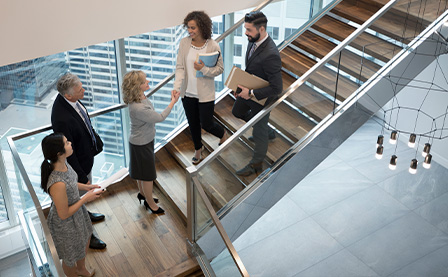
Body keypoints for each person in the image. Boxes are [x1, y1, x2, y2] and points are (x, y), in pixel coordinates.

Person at [51, 73, 107, 250]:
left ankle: (86, 214)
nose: (84, 90)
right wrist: (82, 176)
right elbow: (68, 152)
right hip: (77, 166)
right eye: (80, 89)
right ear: (68, 95)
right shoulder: (61, 117)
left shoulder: (73, 100)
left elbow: (85, 121)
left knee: (82, 197)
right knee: (77, 200)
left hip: (85, 158)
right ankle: (88, 238)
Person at [41, 133, 103, 277]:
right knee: (70, 257)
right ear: (59, 153)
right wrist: (85, 198)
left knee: (86, 238)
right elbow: (63, 214)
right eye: (67, 143)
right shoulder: (56, 182)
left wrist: (87, 187)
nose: (70, 143)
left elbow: (71, 184)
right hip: (65, 223)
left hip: (78, 211)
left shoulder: (64, 163)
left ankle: (81, 269)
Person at [173, 10, 227, 165]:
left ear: (202, 27)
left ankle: (222, 133)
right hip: (187, 93)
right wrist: (177, 87)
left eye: (193, 28)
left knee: (207, 123)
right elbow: (180, 67)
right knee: (193, 123)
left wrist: (203, 69)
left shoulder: (212, 46)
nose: (190, 31)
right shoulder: (184, 43)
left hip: (205, 94)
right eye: (188, 28)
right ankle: (198, 148)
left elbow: (220, 69)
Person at [232, 11, 282, 176]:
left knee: (258, 132)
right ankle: (268, 131)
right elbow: (252, 69)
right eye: (245, 29)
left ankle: (256, 165)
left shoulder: (271, 54)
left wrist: (251, 92)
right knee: (236, 111)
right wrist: (240, 87)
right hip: (249, 90)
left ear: (261, 29)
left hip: (262, 97)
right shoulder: (253, 41)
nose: (245, 33)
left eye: (249, 30)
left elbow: (277, 88)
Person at [122, 70, 180, 214]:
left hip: (140, 141)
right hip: (142, 143)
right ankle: (150, 203)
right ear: (137, 86)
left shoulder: (139, 98)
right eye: (144, 81)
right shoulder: (139, 107)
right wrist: (173, 101)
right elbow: (160, 117)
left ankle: (143, 194)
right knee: (148, 176)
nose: (148, 82)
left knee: (141, 172)